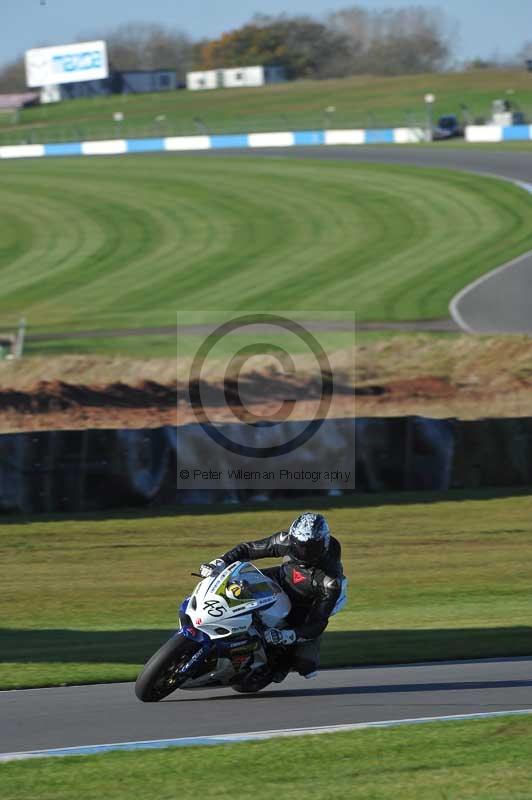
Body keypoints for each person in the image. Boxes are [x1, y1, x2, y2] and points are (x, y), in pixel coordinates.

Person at [199, 512, 344, 680]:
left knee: (304, 663)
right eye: (299, 545)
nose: (303, 552)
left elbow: (318, 621)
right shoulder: (286, 540)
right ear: (293, 538)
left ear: (323, 545)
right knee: (235, 584)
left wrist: (289, 635)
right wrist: (221, 561)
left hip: (304, 603)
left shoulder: (330, 580)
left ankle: (274, 662)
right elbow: (248, 549)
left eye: (310, 547)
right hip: (280, 579)